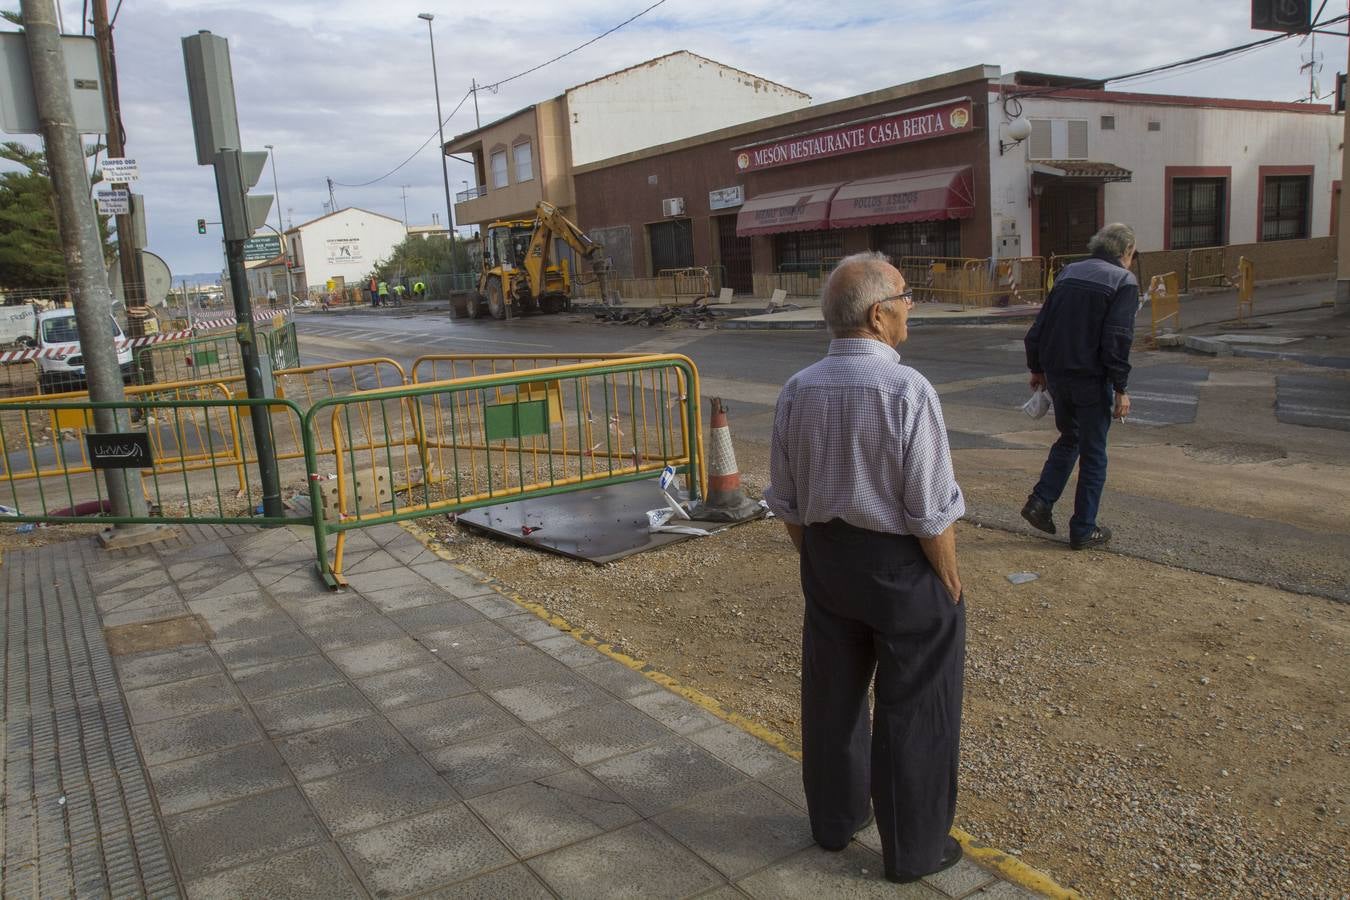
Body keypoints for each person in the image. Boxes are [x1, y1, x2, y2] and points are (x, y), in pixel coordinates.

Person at [765, 251, 966, 885]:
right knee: (916, 703)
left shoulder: (798, 389)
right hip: (900, 566)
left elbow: (786, 499)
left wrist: (819, 560)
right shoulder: (907, 389)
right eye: (906, 298)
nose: (911, 308)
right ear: (879, 315)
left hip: (827, 558)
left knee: (832, 697)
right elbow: (931, 511)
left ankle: (834, 820)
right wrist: (951, 585)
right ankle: (913, 850)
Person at [1021, 222, 1138, 551]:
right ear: (1126, 252)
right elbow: (1117, 338)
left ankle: (1040, 502)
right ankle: (1083, 528)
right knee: (1094, 453)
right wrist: (1121, 388)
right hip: (1091, 377)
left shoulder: (1070, 272)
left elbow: (1040, 325)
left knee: (1069, 438)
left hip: (1059, 375)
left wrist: (1037, 367)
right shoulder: (1123, 281)